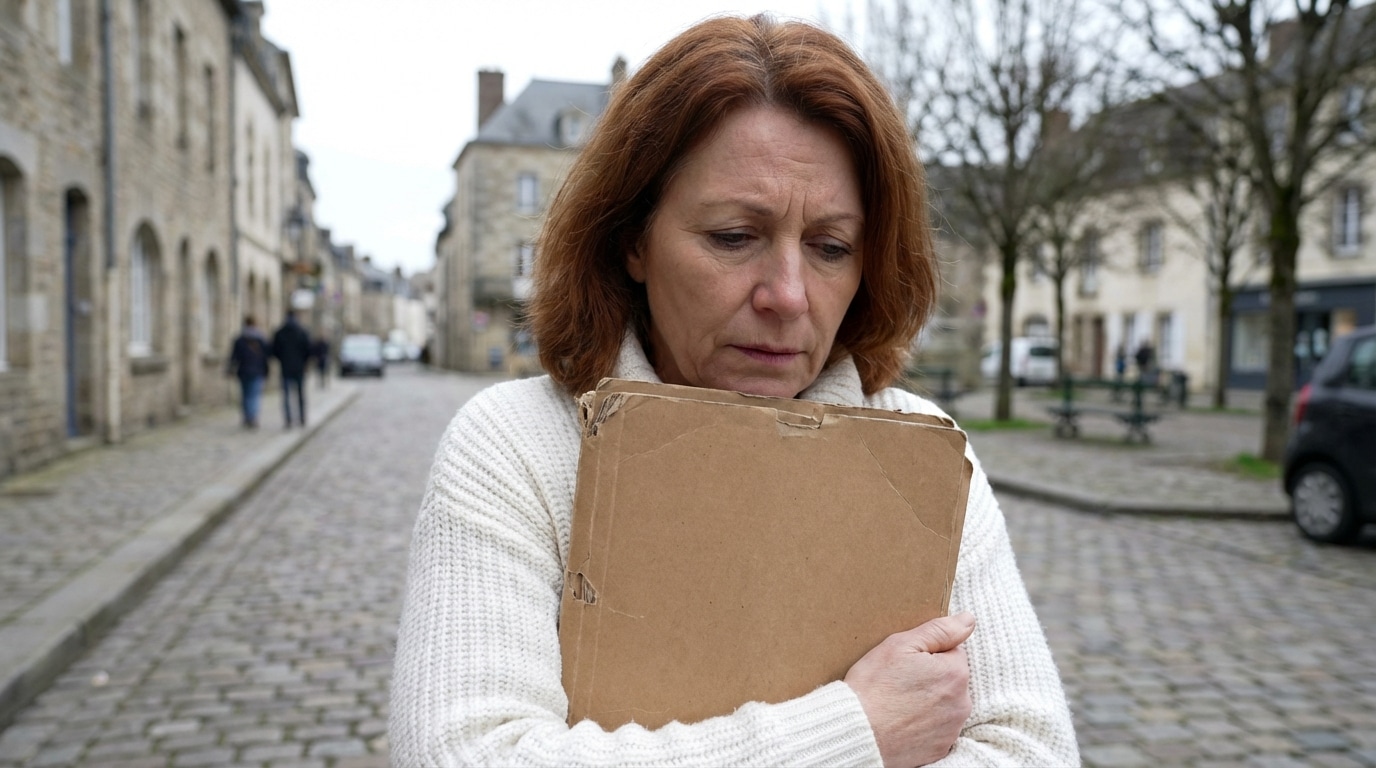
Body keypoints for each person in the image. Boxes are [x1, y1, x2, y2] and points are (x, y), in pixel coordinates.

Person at [389, 15, 1078, 767]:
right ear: (633, 239)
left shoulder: (923, 455)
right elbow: (467, 753)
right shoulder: (517, 445)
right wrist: (860, 733)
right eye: (733, 237)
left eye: (831, 247)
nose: (788, 295)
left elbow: (1031, 751)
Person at [226, 316, 269, 429]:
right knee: (254, 395)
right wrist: (266, 370)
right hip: (257, 371)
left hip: (243, 371)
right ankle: (252, 417)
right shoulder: (260, 339)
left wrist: (230, 369)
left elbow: (234, 357)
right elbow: (265, 357)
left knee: (245, 395)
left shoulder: (240, 339)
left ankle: (247, 416)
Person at [271, 309, 312, 428]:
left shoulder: (280, 332)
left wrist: (282, 359)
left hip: (286, 367)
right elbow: (308, 350)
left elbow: (275, 350)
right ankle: (302, 417)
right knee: (300, 394)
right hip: (299, 367)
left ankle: (288, 419)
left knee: (286, 395)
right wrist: (304, 361)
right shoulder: (302, 332)